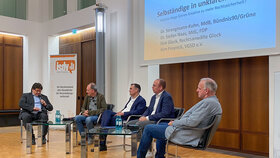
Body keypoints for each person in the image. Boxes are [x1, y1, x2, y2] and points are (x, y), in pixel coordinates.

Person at [137, 78, 223, 158]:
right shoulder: (213, 102)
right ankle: (159, 156)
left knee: (148, 128)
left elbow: (192, 122)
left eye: (199, 88)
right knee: (159, 125)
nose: (197, 90)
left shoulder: (208, 103)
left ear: (206, 91)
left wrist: (174, 123)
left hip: (186, 133)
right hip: (187, 130)